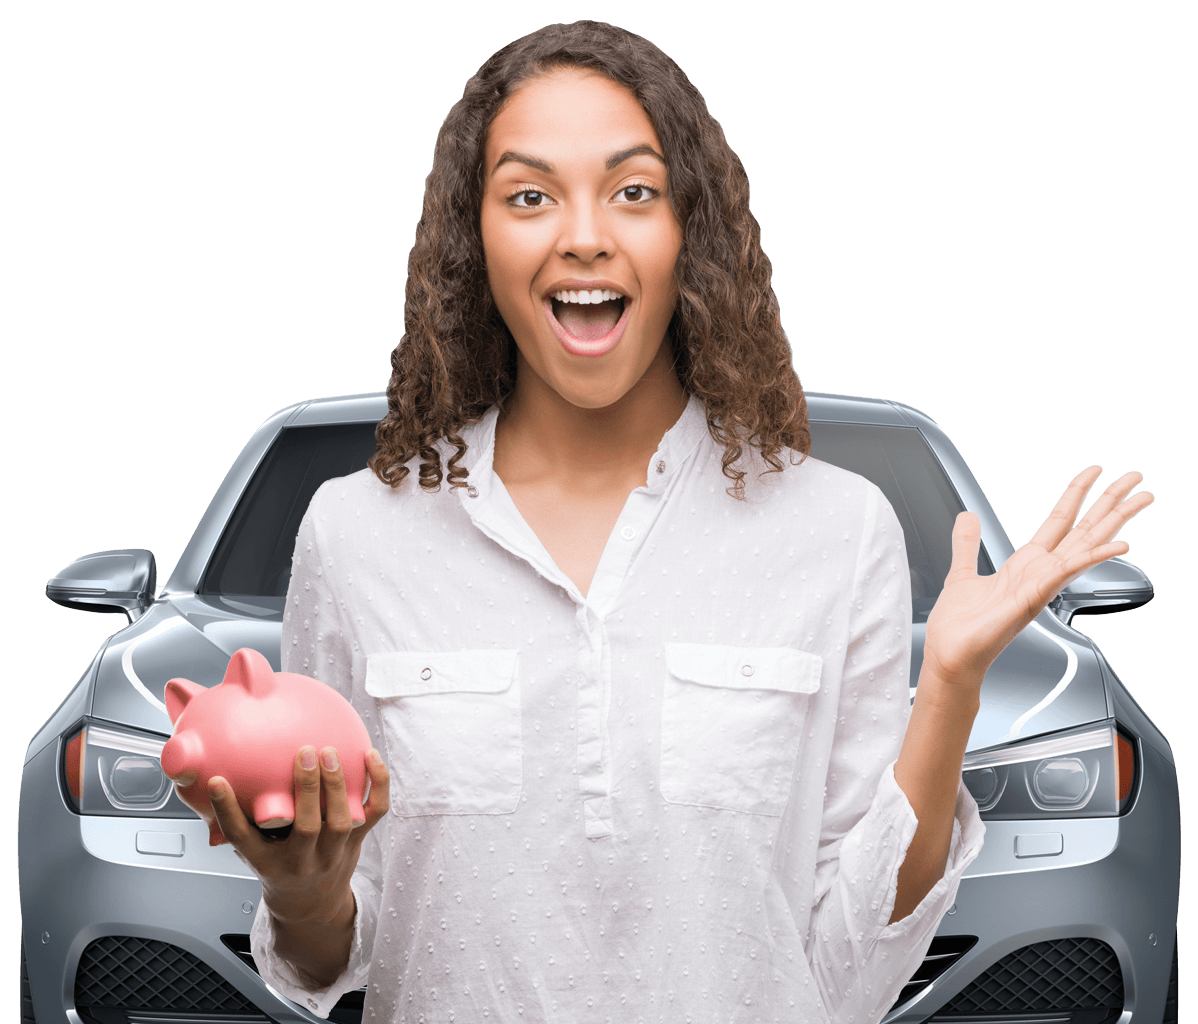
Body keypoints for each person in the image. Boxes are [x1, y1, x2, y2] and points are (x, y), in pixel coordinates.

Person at [169, 21, 1153, 1024]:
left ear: (690, 230)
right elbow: (334, 956)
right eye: (529, 195)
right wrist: (302, 890)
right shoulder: (356, 534)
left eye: (633, 191)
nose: (584, 233)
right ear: (476, 241)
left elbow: (847, 975)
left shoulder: (837, 530)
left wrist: (946, 685)